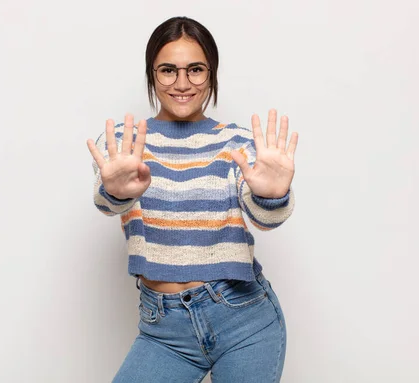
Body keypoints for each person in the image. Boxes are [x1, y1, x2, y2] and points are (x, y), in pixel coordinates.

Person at [87, 16, 298, 383]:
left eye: (196, 70)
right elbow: (108, 202)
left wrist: (271, 194)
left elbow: (265, 219)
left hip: (242, 319)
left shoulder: (237, 142)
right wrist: (117, 192)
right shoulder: (124, 142)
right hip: (164, 330)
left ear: (211, 74)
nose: (182, 83)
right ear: (152, 74)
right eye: (168, 70)